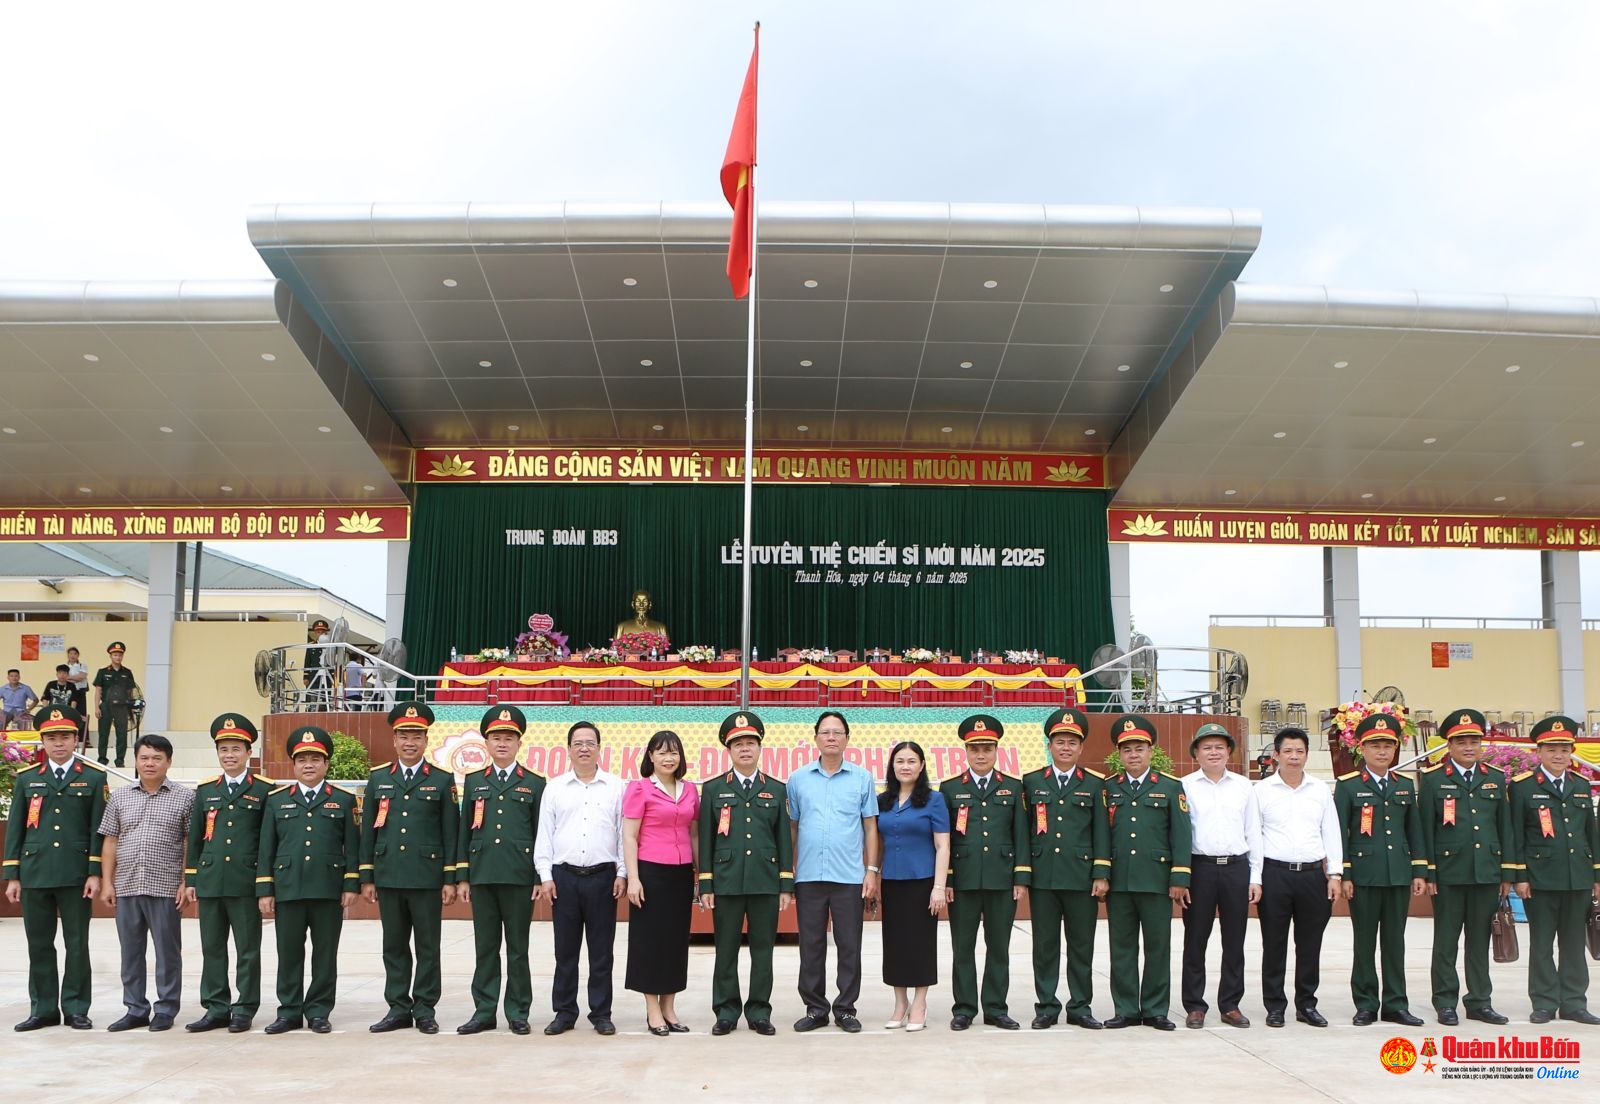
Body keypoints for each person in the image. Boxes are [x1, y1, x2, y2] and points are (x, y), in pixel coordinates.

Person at [361, 702, 459, 1035]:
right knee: (394, 946)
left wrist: (449, 878)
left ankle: (425, 1008)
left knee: (428, 948)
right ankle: (398, 1008)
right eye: (404, 736)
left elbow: (450, 832)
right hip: (389, 875)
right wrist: (367, 876)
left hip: (427, 878)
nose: (410, 743)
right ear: (394, 740)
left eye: (416, 736)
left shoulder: (442, 780)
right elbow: (368, 832)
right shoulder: (378, 778)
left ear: (426, 740)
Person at [4, 705, 104, 1031]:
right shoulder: (28, 778)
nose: (58, 743)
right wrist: (12, 875)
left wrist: (94, 871)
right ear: (43, 741)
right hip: (35, 873)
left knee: (77, 944)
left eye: (64, 737)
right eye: (51, 738)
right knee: (39, 944)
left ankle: (76, 1007)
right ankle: (43, 1008)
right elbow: (16, 829)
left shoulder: (93, 778)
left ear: (76, 739)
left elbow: (97, 829)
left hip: (76, 874)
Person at [257, 725, 360, 1034]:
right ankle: (289, 1011)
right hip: (288, 887)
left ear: (326, 764)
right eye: (302, 760)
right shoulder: (277, 800)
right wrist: (265, 888)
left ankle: (318, 1011)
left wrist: (350, 884)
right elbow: (267, 848)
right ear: (294, 764)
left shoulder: (343, 800)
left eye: (316, 759)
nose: (309, 765)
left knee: (325, 955)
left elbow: (352, 846)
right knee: (288, 953)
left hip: (328, 888)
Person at [697, 711, 793, 1037]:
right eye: (738, 744)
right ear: (728, 750)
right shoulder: (713, 789)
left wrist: (785, 884)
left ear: (760, 747)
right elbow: (706, 839)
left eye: (751, 743)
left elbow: (784, 839)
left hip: (765, 881)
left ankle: (759, 1011)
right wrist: (706, 883)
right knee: (725, 950)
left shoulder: (776, 789)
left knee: (762, 951)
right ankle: (726, 1011)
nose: (745, 749)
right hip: (726, 882)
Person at [786, 710, 879, 1033]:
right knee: (811, 945)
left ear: (847, 739)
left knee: (849, 945)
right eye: (825, 732)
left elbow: (870, 826)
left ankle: (845, 1009)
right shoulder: (798, 779)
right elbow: (793, 826)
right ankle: (815, 1009)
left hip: (849, 877)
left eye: (837, 732)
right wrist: (788, 869)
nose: (831, 737)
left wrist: (871, 870)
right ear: (815, 738)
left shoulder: (862, 778)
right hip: (809, 875)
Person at [1417, 708, 1511, 1026]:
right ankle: (1445, 1001)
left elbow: (1504, 828)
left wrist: (1506, 872)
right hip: (1448, 874)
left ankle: (1479, 1001)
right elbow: (1425, 829)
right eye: (1461, 742)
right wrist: (1429, 871)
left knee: (1480, 940)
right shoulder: (1433, 779)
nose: (1469, 747)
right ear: (1449, 745)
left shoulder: (1494, 778)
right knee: (1446, 941)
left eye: (1474, 741)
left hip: (1486, 871)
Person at [456, 704, 545, 1035]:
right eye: (496, 738)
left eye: (509, 738)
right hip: (482, 875)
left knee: (518, 949)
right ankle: (484, 1011)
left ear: (519, 743)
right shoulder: (474, 781)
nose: (502, 744)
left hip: (519, 877)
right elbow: (464, 830)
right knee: (486, 948)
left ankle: (518, 1011)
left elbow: (541, 834)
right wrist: (463, 876)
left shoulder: (534, 783)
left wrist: (539, 876)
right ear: (487, 743)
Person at [1334, 714, 1427, 1027]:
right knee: (1364, 942)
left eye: (1388, 745)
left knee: (1395, 942)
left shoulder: (1404, 785)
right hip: (1363, 876)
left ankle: (1396, 1004)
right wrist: (1345, 874)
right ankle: (1365, 1004)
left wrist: (1418, 871)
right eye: (1375, 745)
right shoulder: (1348, 786)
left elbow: (1414, 831)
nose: (1382, 751)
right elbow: (1341, 833)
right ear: (1362, 749)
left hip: (1398, 874)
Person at [533, 719, 626, 1036]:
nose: (584, 748)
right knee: (565, 952)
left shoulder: (616, 786)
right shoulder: (555, 787)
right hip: (564, 879)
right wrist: (545, 875)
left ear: (599, 749)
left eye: (590, 743)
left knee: (602, 952)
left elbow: (623, 834)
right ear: (568, 749)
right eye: (578, 743)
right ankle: (564, 1012)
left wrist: (622, 872)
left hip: (603, 878)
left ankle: (601, 1013)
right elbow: (545, 834)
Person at [182, 714, 274, 1033]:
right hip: (210, 880)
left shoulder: (263, 790)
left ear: (249, 752)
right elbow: (196, 837)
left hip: (245, 881)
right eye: (224, 749)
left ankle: (245, 1007)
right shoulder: (206, 790)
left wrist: (265, 884)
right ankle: (216, 1007)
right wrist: (191, 878)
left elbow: (268, 841)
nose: (230, 755)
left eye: (236, 749)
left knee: (247, 950)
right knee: (212, 948)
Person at [98, 733, 195, 1032]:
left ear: (169, 762)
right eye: (144, 758)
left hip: (165, 887)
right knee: (130, 952)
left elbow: (189, 842)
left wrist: (185, 881)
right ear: (136, 761)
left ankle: (166, 1009)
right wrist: (107, 882)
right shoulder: (120, 797)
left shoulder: (186, 797)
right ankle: (135, 1008)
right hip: (126, 886)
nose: (150, 763)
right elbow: (110, 841)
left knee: (167, 953)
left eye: (157, 758)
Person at [1508, 715, 1599, 1025]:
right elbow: (1516, 835)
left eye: (1564, 749)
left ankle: (1574, 1002)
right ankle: (1544, 1002)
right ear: (1539, 752)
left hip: (1577, 877)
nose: (1559, 755)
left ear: (1571, 751)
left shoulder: (1580, 784)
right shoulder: (1522, 786)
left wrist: (1596, 875)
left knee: (1574, 943)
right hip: (1540, 878)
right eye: (1551, 750)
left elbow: (1590, 833)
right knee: (1542, 943)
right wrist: (1520, 876)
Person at [1103, 714, 1191, 1031]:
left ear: (1151, 751)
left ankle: (1155, 1009)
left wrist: (1179, 878)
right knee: (1122, 949)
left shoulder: (1170, 787)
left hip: (1156, 881)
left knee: (1158, 948)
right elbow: (1102, 835)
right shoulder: (1108, 788)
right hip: (1120, 882)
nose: (1133, 755)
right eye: (1127, 750)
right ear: (1119, 754)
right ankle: (1126, 1008)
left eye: (1139, 748)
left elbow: (1181, 836)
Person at [1023, 707, 1110, 1030]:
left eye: (1072, 742)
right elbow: (1024, 832)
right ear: (1049, 745)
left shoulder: (1095, 784)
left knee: (1081, 946)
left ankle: (1080, 1006)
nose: (1065, 747)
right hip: (1043, 877)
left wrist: (1101, 873)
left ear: (1081, 747)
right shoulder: (1032, 782)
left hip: (1081, 878)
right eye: (1059, 742)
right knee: (1045, 947)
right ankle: (1046, 1006)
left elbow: (1101, 831)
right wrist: (1024, 874)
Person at [941, 713, 1028, 1030]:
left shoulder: (1013, 787)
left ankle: (995, 1008)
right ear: (965, 751)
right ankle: (964, 1008)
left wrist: (1020, 877)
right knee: (962, 948)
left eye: (987, 749)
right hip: (963, 882)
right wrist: (948, 879)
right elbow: (945, 840)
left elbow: (1021, 835)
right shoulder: (950, 788)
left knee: (999, 947)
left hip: (1001, 880)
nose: (981, 755)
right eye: (975, 749)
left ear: (996, 751)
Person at [1253, 726, 1342, 1028]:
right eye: (1288, 751)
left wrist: (1335, 873)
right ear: (1276, 755)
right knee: (1274, 944)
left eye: (1300, 751)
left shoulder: (1319, 790)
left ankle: (1306, 1004)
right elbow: (1254, 836)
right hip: (1274, 875)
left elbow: (1331, 832)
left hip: (1313, 877)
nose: (1294, 756)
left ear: (1306, 755)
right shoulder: (1261, 791)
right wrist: (1255, 877)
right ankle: (1275, 1006)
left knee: (1310, 945)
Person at [1180, 721, 1262, 1029]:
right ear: (1196, 753)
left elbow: (1253, 832)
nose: (1213, 752)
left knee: (1234, 940)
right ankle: (1194, 1005)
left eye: (1219, 747)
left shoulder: (1244, 786)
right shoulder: (1184, 786)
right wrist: (1182, 878)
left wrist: (1255, 876)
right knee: (1195, 939)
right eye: (1206, 747)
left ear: (1229, 752)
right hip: (1199, 869)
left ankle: (1230, 1004)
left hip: (1236, 869)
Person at [623, 729, 700, 1035]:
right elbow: (629, 836)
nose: (669, 758)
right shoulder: (640, 788)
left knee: (675, 942)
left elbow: (694, 833)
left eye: (674, 752)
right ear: (651, 756)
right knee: (650, 942)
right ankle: (652, 1008)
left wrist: (699, 874)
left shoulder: (690, 789)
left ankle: (669, 1006)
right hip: (650, 873)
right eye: (662, 752)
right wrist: (633, 878)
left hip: (681, 874)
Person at [875, 740, 949, 1031]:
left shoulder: (934, 800)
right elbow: (877, 843)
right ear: (892, 766)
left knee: (920, 943)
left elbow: (942, 846)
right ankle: (900, 1002)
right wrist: (872, 875)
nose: (905, 766)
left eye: (911, 761)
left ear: (921, 766)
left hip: (923, 882)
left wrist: (939, 887)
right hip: (892, 881)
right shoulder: (882, 801)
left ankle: (920, 1003)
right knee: (895, 944)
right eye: (900, 761)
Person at [92, 641, 138, 768]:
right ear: (110, 656)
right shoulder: (102, 672)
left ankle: (120, 760)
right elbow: (98, 690)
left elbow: (131, 691)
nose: (118, 657)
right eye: (115, 655)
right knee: (103, 733)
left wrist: (131, 707)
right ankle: (102, 759)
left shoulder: (127, 672)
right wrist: (96, 707)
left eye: (120, 655)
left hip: (122, 707)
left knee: (122, 734)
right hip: (106, 706)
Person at [66, 647, 89, 745]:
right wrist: (73, 678)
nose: (73, 656)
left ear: (78, 655)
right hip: (68, 693)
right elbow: (63, 678)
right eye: (70, 653)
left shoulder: (82, 665)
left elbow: (81, 677)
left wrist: (69, 677)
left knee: (82, 714)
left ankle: (84, 739)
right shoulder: (64, 666)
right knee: (69, 714)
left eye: (75, 653)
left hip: (80, 692)